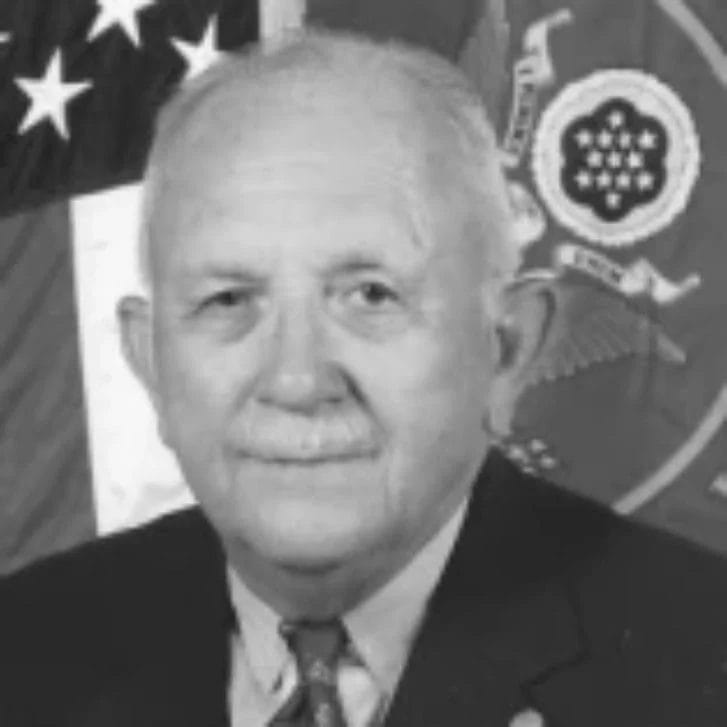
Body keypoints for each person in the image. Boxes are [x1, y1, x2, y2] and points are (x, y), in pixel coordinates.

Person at [1, 29, 727, 727]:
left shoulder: (701, 661)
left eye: (371, 295)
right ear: (151, 364)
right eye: (227, 300)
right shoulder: (22, 654)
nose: (296, 378)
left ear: (504, 349)